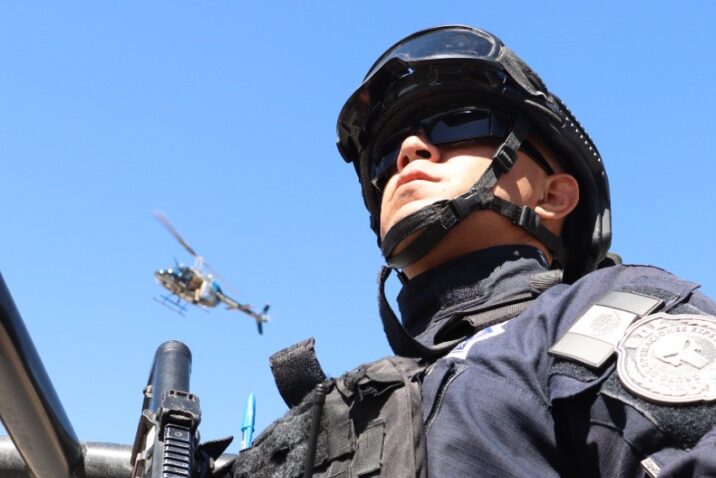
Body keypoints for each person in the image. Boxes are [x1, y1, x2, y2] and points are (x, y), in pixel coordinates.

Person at [233, 25, 716, 477]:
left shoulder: (601, 312)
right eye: (385, 158)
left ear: (553, 197)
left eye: (457, 124)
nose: (409, 150)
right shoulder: (354, 412)